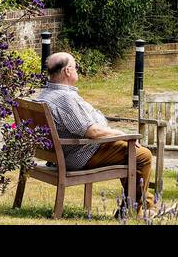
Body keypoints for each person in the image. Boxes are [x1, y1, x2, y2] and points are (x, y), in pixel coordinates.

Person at [36, 52, 154, 211]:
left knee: (129, 151)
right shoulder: (65, 98)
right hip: (79, 155)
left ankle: (145, 206)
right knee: (142, 155)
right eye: (76, 67)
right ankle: (137, 209)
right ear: (67, 71)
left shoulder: (45, 94)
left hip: (64, 154)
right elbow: (91, 132)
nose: (77, 70)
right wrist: (121, 135)